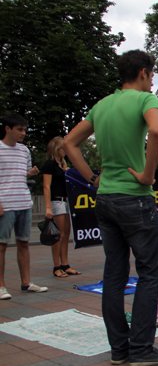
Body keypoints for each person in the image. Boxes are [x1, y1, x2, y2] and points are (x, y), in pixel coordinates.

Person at [64, 50, 158, 366]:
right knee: (149, 273)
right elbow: (156, 131)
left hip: (106, 199)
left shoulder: (102, 105)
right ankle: (142, 349)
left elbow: (68, 143)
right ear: (143, 72)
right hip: (135, 197)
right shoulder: (146, 101)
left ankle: (120, 349)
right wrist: (147, 175)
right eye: (153, 74)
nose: (153, 80)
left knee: (114, 276)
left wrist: (91, 178)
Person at [0, 114, 48, 300]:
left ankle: (26, 282)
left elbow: (22, 174)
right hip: (5, 203)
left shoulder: (24, 150)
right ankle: (1, 286)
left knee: (24, 243)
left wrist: (31, 172)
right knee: (2, 245)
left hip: (24, 202)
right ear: (8, 129)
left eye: (25, 129)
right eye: (20, 129)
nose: (23, 133)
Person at [41, 136, 81, 278]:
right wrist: (48, 207)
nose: (65, 150)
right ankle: (57, 266)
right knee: (58, 235)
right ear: (57, 149)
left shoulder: (63, 166)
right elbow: (46, 186)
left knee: (65, 235)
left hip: (66, 201)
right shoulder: (49, 165)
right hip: (56, 202)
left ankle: (65, 264)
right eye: (63, 148)